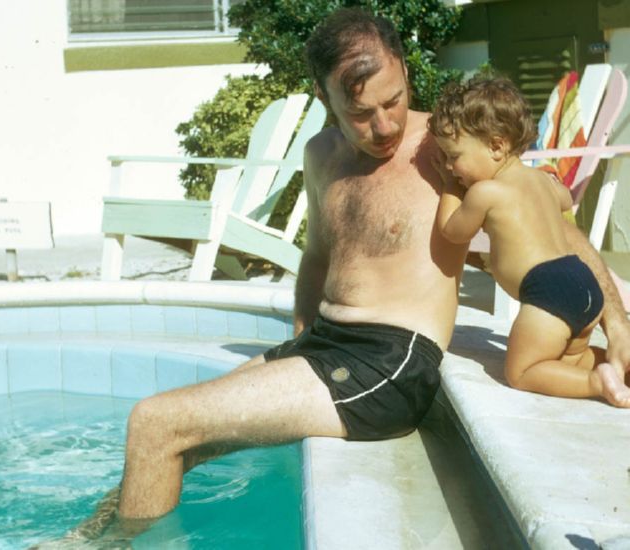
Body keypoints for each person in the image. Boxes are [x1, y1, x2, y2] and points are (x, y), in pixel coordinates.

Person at [59, 7, 630, 541]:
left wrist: (618, 324)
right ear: (323, 96)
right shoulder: (320, 155)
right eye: (360, 112)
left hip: (387, 362)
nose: (383, 126)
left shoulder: (449, 148)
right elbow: (316, 256)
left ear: (406, 72)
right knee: (176, 435)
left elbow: (559, 230)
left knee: (155, 421)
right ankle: (91, 537)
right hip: (328, 346)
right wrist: (302, 335)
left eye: (395, 100)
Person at [428, 76, 630, 407]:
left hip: (547, 292)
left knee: (522, 371)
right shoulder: (542, 180)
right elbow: (565, 199)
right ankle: (615, 371)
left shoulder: (484, 192)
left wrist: (449, 185)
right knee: (568, 361)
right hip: (584, 282)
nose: (451, 165)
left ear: (495, 146)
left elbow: (453, 231)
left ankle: (598, 382)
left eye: (454, 156)